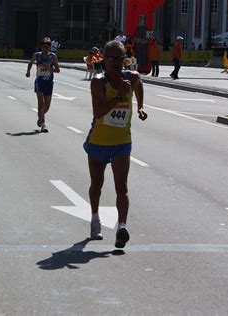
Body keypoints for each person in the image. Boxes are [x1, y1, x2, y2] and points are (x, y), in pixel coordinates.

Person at [83, 40, 147, 247]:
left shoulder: (132, 77)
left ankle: (122, 227)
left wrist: (140, 108)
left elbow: (139, 86)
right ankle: (95, 219)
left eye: (119, 58)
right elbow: (98, 111)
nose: (115, 62)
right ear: (103, 59)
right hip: (98, 141)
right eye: (110, 58)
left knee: (122, 187)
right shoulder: (99, 82)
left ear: (125, 59)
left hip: (121, 142)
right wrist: (119, 94)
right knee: (97, 184)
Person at [25, 37, 60, 133]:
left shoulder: (53, 56)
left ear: (49, 47)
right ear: (41, 46)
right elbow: (30, 63)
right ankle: (43, 124)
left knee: (47, 106)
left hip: (49, 82)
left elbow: (58, 69)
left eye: (47, 47)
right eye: (44, 47)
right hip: (39, 82)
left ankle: (40, 116)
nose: (45, 49)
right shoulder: (37, 55)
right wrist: (28, 71)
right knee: (41, 103)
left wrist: (50, 69)